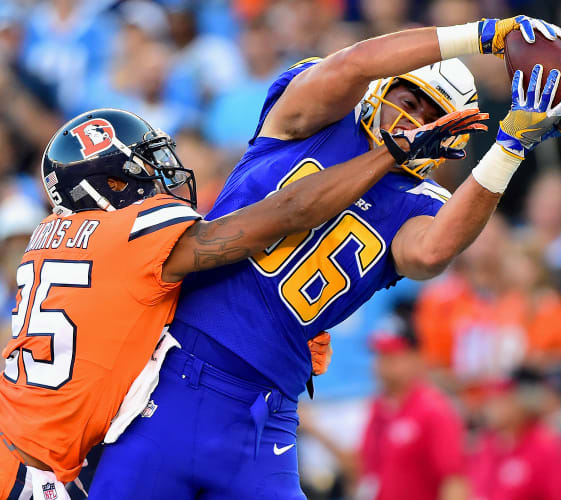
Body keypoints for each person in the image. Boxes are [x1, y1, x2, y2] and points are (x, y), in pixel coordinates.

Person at [90, 15, 561, 499]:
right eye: (408, 101)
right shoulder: (314, 120)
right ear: (381, 91)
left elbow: (432, 253)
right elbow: (353, 65)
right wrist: (479, 35)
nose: (418, 122)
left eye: (436, 117)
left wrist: (510, 146)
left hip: (267, 413)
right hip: (178, 372)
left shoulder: (420, 202)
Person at [0, 106, 472, 499]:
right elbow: (285, 214)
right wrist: (387, 156)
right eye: (146, 166)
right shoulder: (136, 234)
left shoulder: (44, 238)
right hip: (31, 464)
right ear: (113, 184)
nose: (164, 173)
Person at [301, 303, 469, 500]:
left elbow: (454, 482)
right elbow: (360, 467)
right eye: (380, 355)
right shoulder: (380, 407)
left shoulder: (434, 410)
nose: (382, 364)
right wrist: (313, 429)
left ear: (416, 358)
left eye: (391, 356)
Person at [468, 366, 561, 500]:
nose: (492, 405)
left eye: (502, 398)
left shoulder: (546, 447)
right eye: (492, 398)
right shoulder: (485, 443)